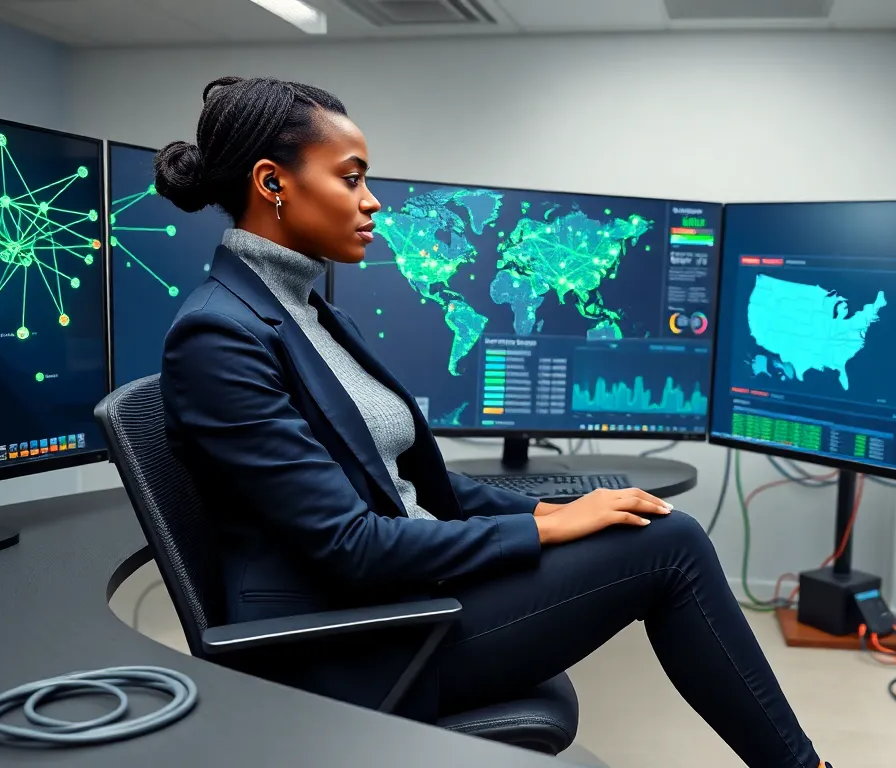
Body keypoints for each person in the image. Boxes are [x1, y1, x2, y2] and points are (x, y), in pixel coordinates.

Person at [155, 76, 830, 768]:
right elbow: (351, 545)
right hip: (351, 642)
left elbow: (417, 488)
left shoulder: (310, 311)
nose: (372, 201)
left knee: (648, 529)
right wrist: (542, 527)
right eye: (350, 178)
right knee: (672, 546)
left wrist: (560, 506)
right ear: (274, 183)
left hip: (404, 598)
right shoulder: (219, 335)